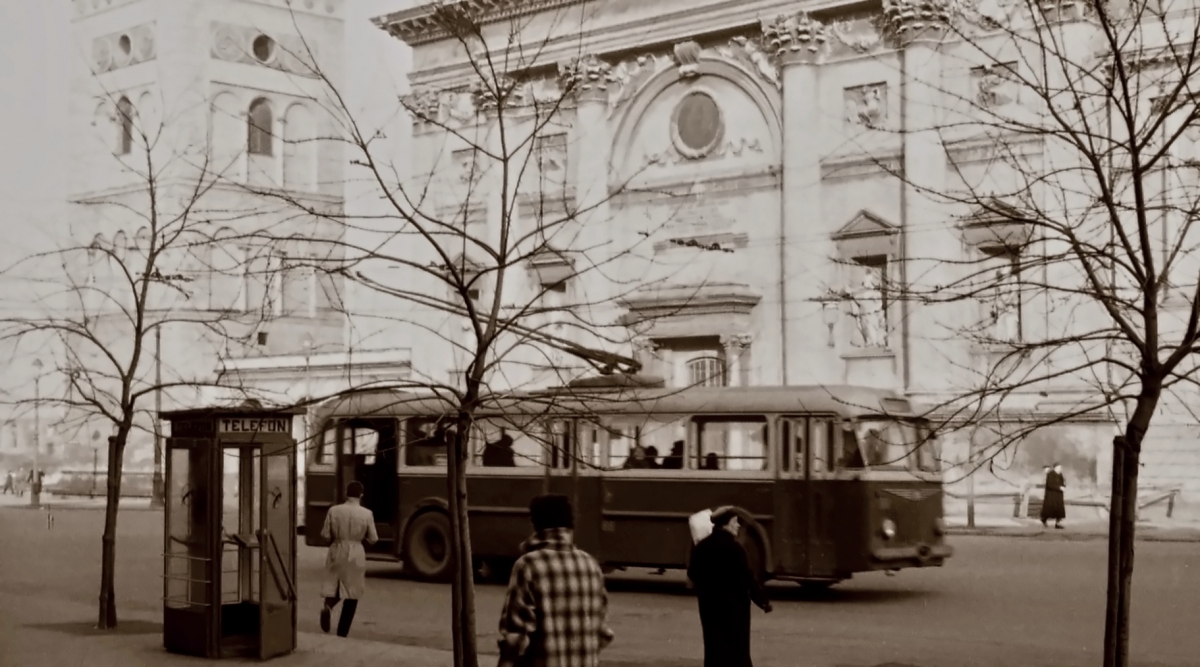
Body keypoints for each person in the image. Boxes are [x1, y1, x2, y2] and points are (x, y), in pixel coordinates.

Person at [497, 494, 614, 667]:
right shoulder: (591, 565)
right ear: (571, 525)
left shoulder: (528, 565)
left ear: (535, 523)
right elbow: (602, 633)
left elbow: (517, 636)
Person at [687, 506, 772, 667]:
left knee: (714, 649)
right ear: (726, 525)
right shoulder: (736, 549)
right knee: (736, 651)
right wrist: (763, 601)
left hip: (709, 609)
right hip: (734, 611)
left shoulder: (702, 547)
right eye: (735, 522)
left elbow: (692, 574)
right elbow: (748, 579)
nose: (738, 526)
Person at [319, 481, 378, 637]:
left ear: (346, 494)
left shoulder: (334, 510)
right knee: (352, 594)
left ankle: (328, 606)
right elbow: (373, 538)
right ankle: (342, 633)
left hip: (337, 549)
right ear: (361, 495)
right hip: (356, 552)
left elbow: (325, 535)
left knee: (335, 586)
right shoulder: (367, 513)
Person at [1041, 463, 1066, 529]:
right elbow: (1049, 484)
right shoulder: (1050, 474)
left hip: (1059, 495)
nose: (1060, 469)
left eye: (1060, 468)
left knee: (1059, 510)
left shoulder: (1060, 475)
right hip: (1052, 495)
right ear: (1055, 468)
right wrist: (1059, 487)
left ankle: (1057, 523)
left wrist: (1063, 486)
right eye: (1059, 468)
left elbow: (1062, 482)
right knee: (1049, 509)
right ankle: (1044, 519)